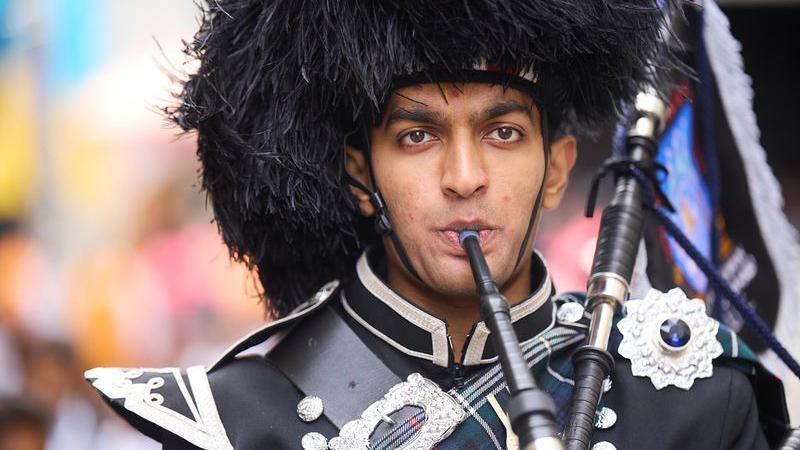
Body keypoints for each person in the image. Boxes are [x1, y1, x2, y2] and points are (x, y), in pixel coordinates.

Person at [85, 0, 791, 449]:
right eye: (418, 136)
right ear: (362, 176)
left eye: (504, 133)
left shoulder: (692, 399)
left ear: (557, 168)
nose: (464, 177)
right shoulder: (237, 423)